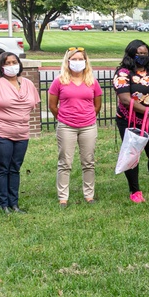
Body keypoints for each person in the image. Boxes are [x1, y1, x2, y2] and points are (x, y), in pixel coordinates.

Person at [0, 52, 41, 213]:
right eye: (7, 63)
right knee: (2, 167)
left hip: (21, 133)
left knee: (15, 168)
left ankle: (14, 203)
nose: (12, 65)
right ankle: (2, 204)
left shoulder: (27, 83)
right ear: (1, 66)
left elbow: (33, 104)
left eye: (14, 62)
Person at [113, 40, 149, 203]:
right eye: (139, 53)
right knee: (132, 155)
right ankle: (135, 191)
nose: (143, 56)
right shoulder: (123, 73)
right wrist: (146, 111)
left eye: (145, 53)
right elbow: (124, 99)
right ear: (131, 54)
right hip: (130, 122)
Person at [49, 47, 102, 206]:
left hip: (88, 127)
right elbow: (52, 105)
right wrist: (65, 118)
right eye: (74, 59)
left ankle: (89, 195)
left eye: (80, 59)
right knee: (65, 162)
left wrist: (88, 116)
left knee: (88, 162)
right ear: (67, 61)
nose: (77, 62)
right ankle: (63, 197)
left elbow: (97, 104)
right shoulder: (59, 81)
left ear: (86, 62)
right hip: (66, 127)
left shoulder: (92, 81)